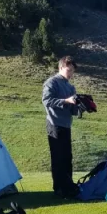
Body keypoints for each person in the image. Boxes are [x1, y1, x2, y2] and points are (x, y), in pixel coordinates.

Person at [42, 56, 82, 198]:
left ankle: (69, 186)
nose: (70, 73)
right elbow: (46, 101)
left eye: (72, 71)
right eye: (68, 70)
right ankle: (59, 188)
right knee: (58, 158)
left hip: (66, 125)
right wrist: (66, 100)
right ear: (60, 68)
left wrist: (81, 107)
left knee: (67, 157)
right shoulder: (51, 82)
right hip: (54, 124)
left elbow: (72, 109)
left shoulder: (71, 87)